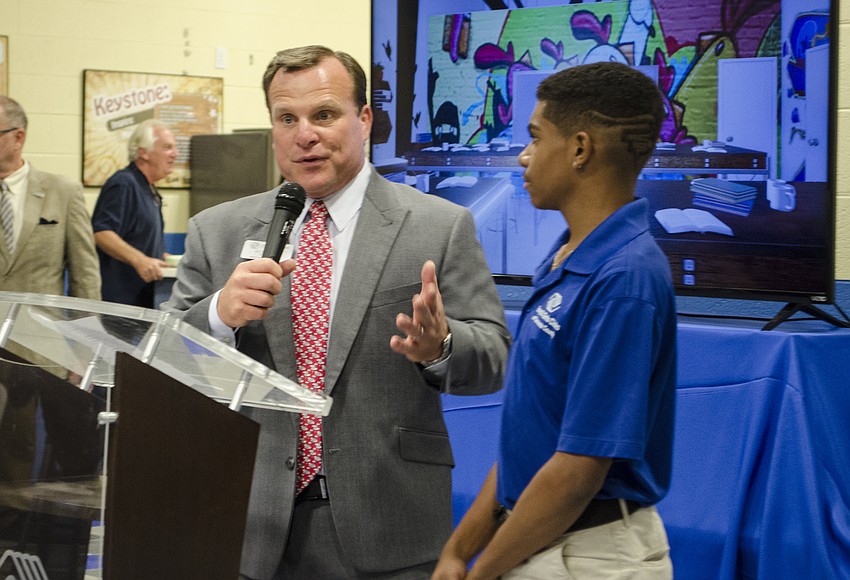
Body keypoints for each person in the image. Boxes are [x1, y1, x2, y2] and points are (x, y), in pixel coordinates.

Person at [164, 45, 510, 579]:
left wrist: (439, 346)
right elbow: (167, 361)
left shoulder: (438, 226)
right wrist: (218, 316)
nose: (305, 134)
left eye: (324, 114)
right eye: (287, 118)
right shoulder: (220, 230)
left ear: (364, 119)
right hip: (249, 522)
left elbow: (493, 358)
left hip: (387, 520)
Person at [433, 62, 677, 580]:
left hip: (590, 555)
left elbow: (577, 471)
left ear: (580, 149)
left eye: (535, 138)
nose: (524, 156)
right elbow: (536, 441)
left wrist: (482, 571)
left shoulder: (625, 279)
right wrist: (460, 549)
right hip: (541, 538)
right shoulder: (567, 257)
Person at [0, 96, 100, 299]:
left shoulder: (63, 193)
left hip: (38, 326)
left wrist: (85, 328)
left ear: (18, 138)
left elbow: (84, 274)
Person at [91, 119, 175, 307]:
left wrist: (160, 256)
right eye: (167, 147)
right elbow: (101, 232)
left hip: (143, 298)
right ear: (143, 153)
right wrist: (140, 260)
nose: (175, 154)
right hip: (120, 302)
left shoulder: (148, 188)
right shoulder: (123, 184)